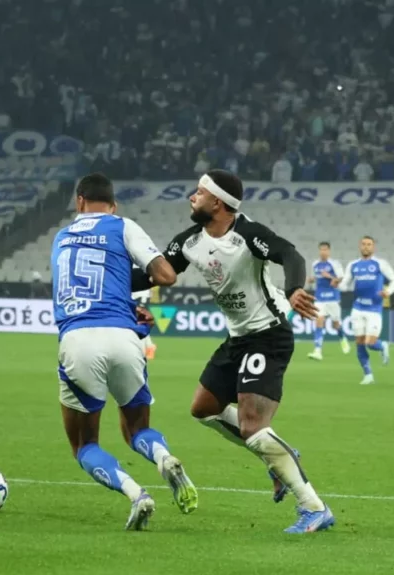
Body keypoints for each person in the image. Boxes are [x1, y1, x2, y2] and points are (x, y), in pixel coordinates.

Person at [164, 169, 334, 534]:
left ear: (218, 203)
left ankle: (314, 507)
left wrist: (294, 288)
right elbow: (158, 272)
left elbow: (290, 254)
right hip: (237, 339)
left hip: (268, 336)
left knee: (254, 427)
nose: (192, 197)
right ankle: (277, 453)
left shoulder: (248, 233)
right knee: (203, 408)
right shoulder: (190, 241)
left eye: (199, 192)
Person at [52, 173, 196, 531]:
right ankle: (163, 458)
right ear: (113, 206)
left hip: (78, 339)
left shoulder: (61, 237)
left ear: (79, 201)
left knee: (85, 445)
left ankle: (136, 494)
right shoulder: (122, 226)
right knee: (136, 429)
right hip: (123, 337)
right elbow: (166, 275)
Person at [337, 236, 394, 385]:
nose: (366, 247)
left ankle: (382, 345)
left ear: (373, 247)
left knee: (370, 343)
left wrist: (388, 291)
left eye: (369, 244)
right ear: (360, 246)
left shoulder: (380, 264)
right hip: (358, 308)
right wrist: (338, 284)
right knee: (359, 342)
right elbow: (344, 285)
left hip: (374, 309)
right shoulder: (353, 265)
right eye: (364, 244)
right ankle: (368, 375)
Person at [307, 241, 350, 361]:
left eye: (325, 250)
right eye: (321, 249)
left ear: (329, 251)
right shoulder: (315, 264)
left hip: (332, 298)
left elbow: (341, 279)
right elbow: (314, 278)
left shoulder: (334, 264)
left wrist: (330, 277)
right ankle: (317, 351)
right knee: (319, 321)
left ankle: (343, 338)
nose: (323, 252)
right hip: (319, 298)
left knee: (336, 325)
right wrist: (311, 279)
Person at [130, 268, 158, 360]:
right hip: (142, 296)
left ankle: (146, 348)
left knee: (138, 323)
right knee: (139, 323)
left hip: (137, 296)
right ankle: (149, 346)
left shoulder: (133, 270)